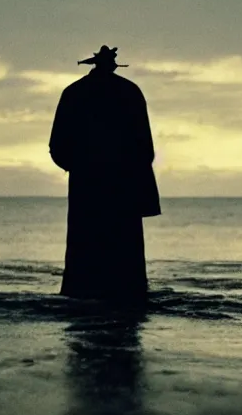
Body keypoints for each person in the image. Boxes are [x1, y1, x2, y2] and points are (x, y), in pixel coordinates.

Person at [49, 45, 160, 299]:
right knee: (126, 262)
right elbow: (146, 148)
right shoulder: (130, 92)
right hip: (125, 188)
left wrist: (79, 169)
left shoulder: (73, 92)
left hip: (85, 187)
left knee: (83, 256)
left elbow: (57, 147)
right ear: (113, 65)